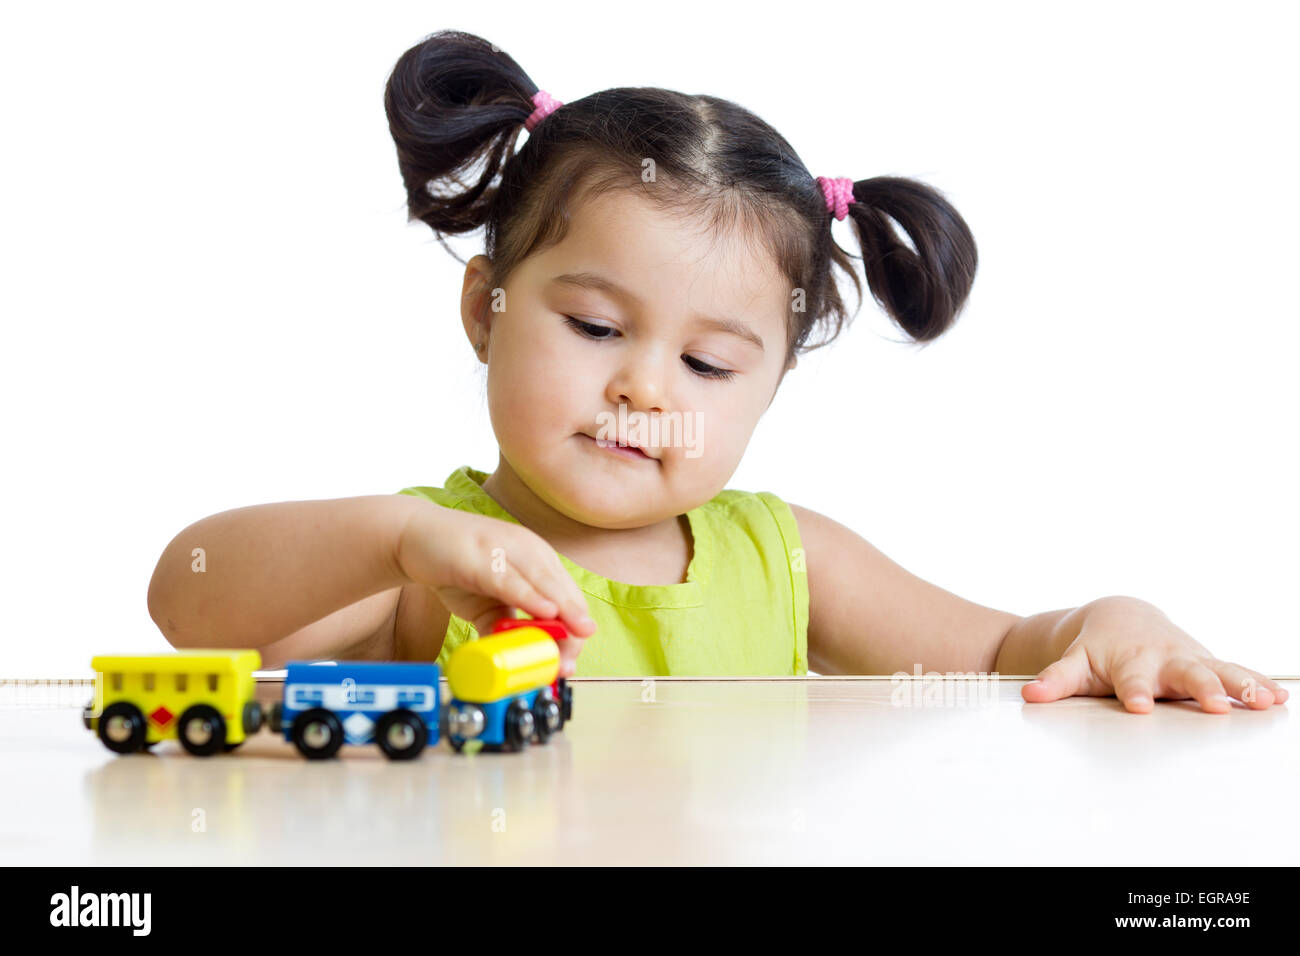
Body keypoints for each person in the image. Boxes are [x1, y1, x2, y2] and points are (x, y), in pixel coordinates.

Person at [148, 29, 1286, 714]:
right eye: (595, 327)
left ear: (771, 386)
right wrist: (391, 538)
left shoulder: (786, 557)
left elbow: (1000, 655)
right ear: (482, 310)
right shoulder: (430, 555)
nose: (647, 387)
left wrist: (1115, 618)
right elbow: (187, 600)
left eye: (705, 361)